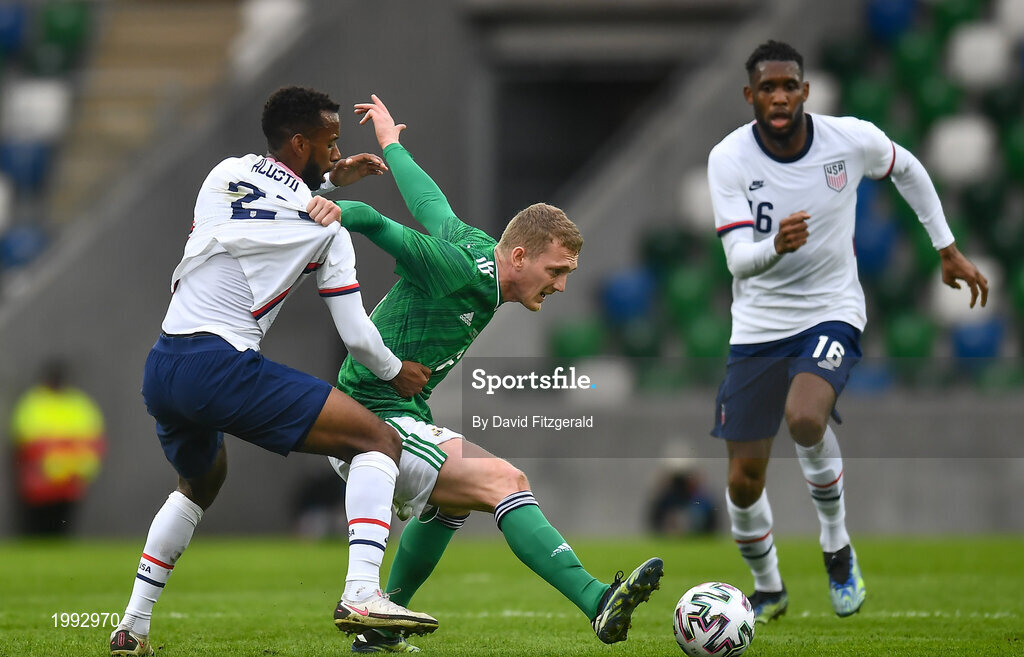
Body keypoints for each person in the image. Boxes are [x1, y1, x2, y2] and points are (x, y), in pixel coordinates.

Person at [317, 94, 663, 653]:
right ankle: (599, 602)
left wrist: (392, 143)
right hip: (367, 422)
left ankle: (381, 628)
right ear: (520, 256)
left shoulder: (478, 249)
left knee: (454, 501)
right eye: (556, 270)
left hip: (392, 416)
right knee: (506, 481)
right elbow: (381, 224)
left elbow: (430, 204)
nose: (561, 286)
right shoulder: (460, 269)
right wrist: (338, 211)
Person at [108, 87, 440, 657]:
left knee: (200, 482)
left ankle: (132, 628)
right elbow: (357, 336)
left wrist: (333, 182)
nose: (338, 153)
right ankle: (362, 591)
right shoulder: (329, 232)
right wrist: (396, 373)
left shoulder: (225, 172)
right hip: (221, 365)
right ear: (299, 142)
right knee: (378, 441)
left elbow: (272, 198)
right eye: (331, 143)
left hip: (163, 366)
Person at [706, 40, 989, 623]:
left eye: (790, 86)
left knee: (806, 417)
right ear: (749, 96)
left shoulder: (849, 139)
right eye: (768, 88)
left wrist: (947, 247)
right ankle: (769, 589)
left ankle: (836, 547)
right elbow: (737, 261)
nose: (780, 97)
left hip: (831, 309)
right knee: (741, 481)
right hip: (758, 324)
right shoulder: (728, 158)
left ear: (806, 91)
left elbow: (907, 167)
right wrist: (774, 248)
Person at [10, 358, 105, 536]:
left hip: (69, 480)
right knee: (36, 526)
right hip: (40, 481)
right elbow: (25, 441)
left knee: (62, 527)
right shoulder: (34, 402)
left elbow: (93, 441)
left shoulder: (77, 404)